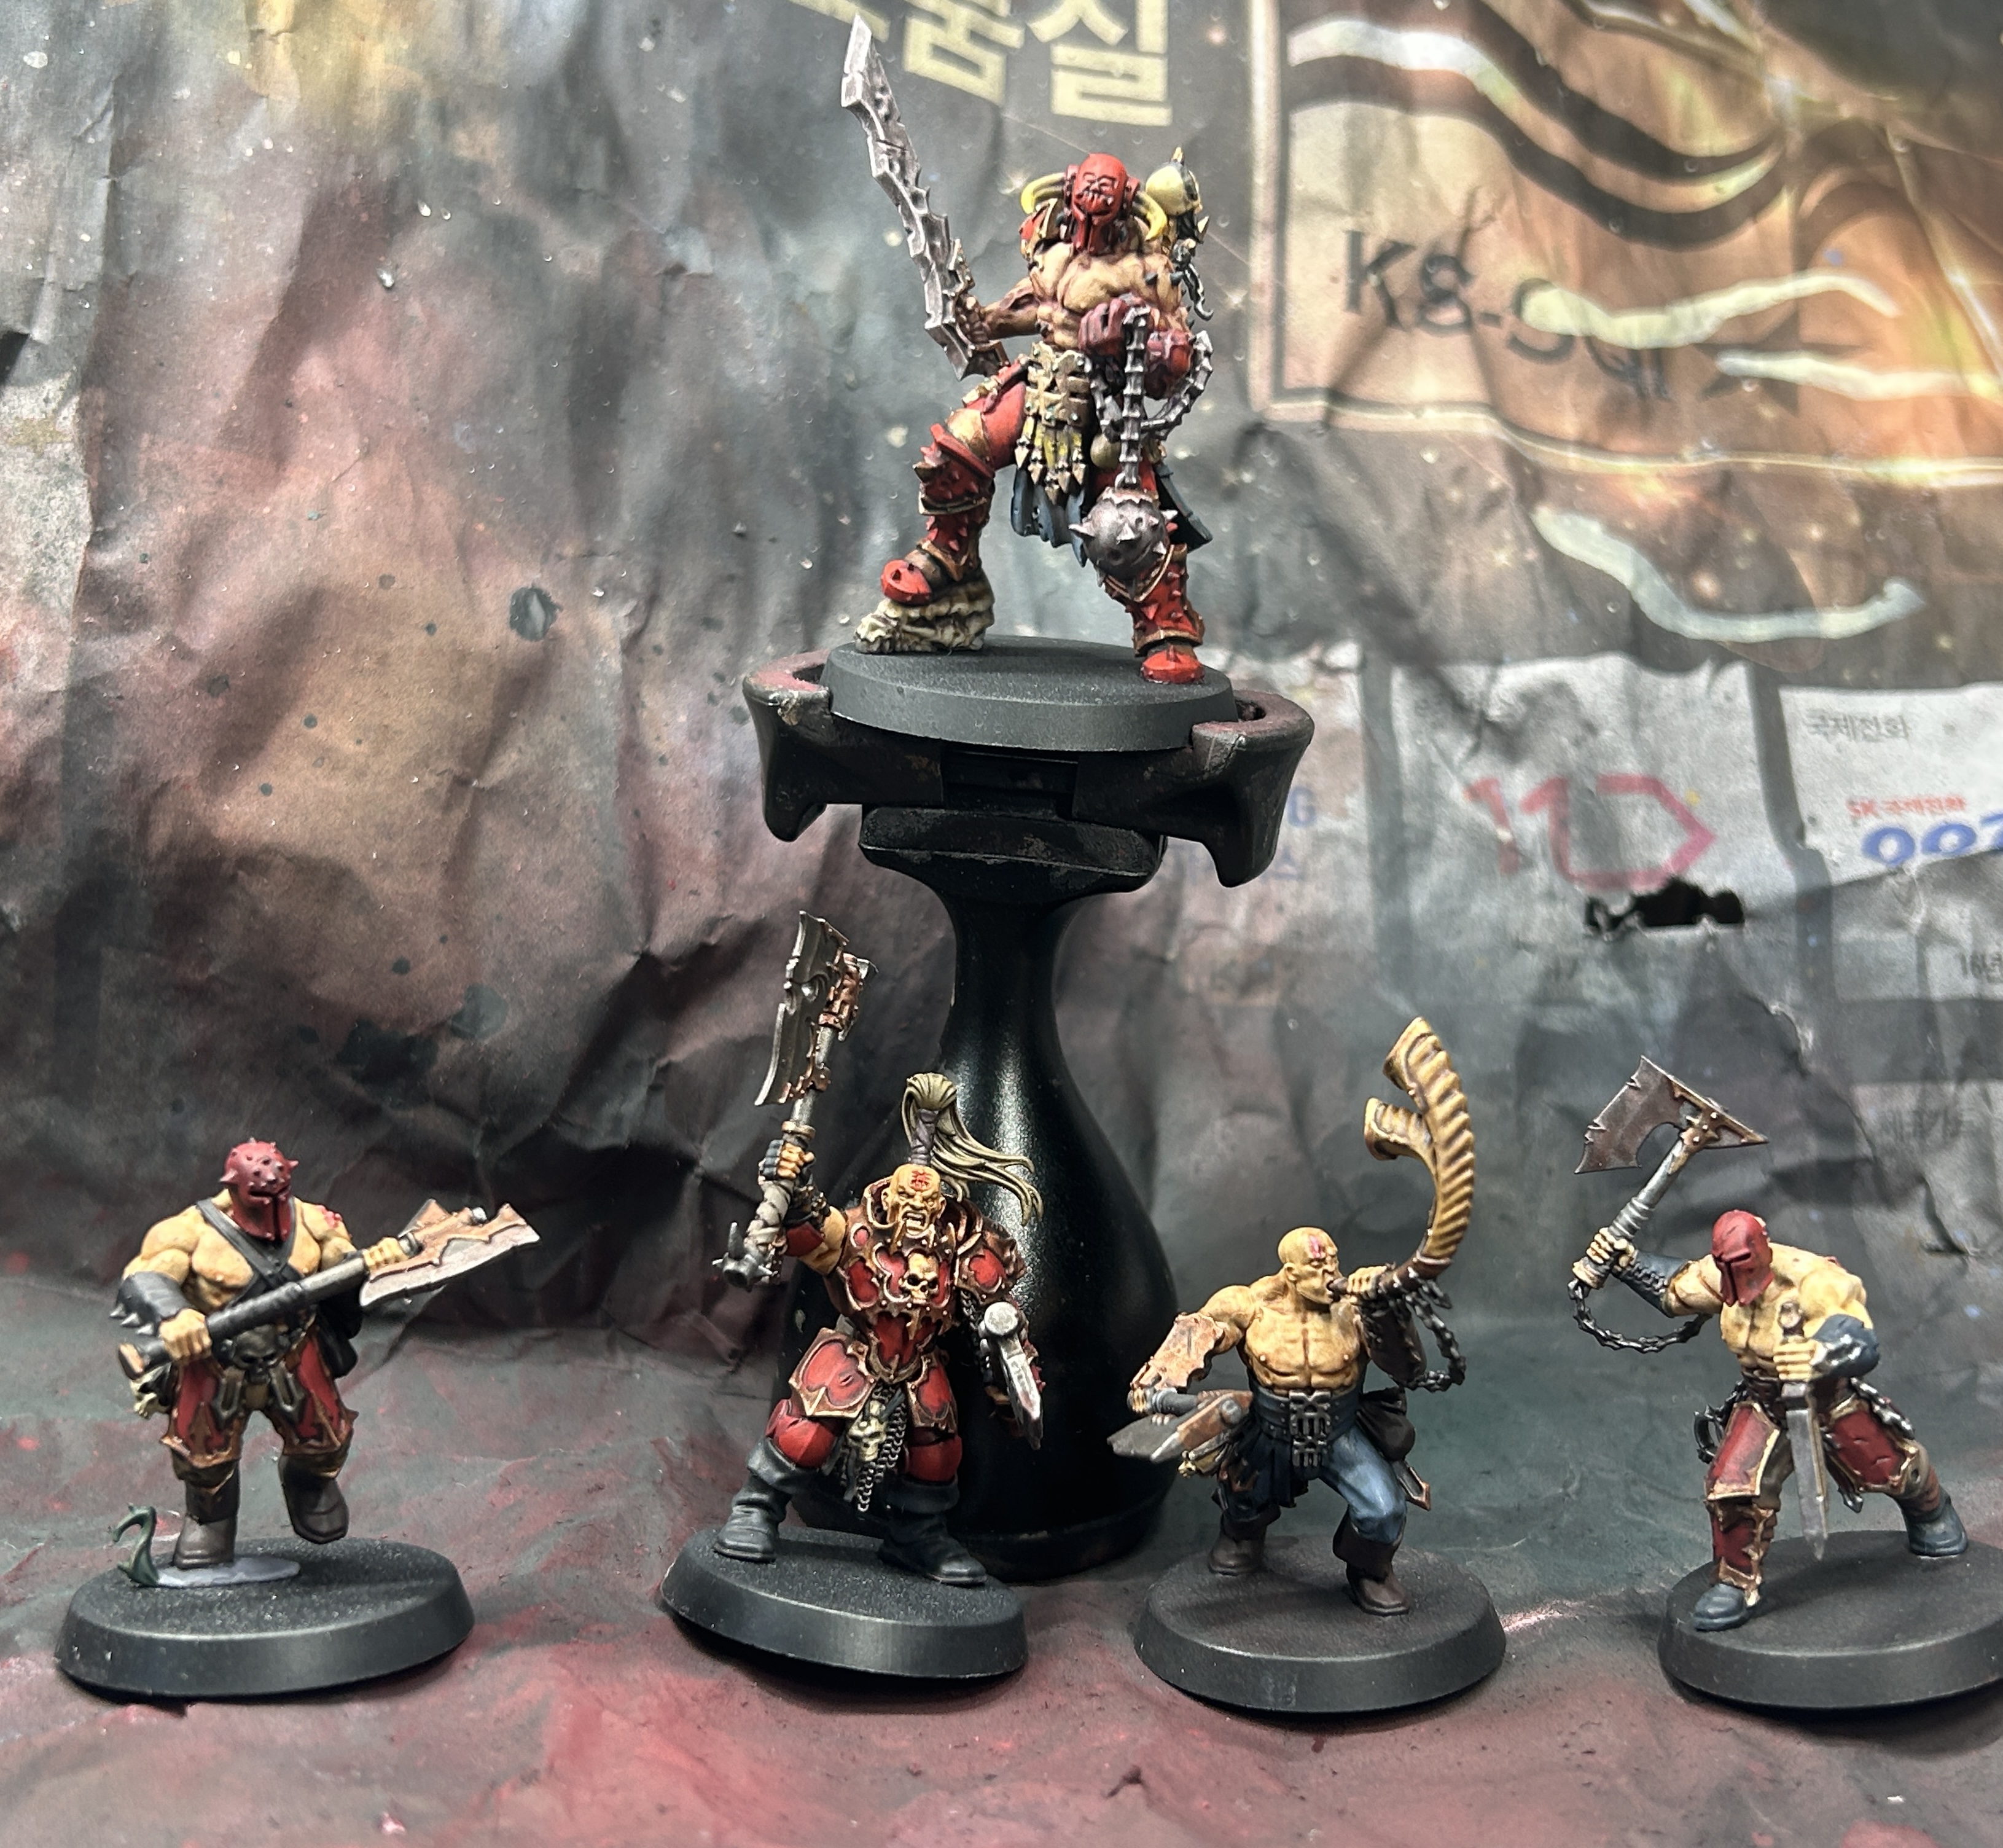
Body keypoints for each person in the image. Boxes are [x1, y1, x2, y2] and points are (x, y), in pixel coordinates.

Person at [860, 152, 1214, 684]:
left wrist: (1128, 334)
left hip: (1105, 400)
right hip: (1041, 380)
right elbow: (1036, 308)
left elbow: (1176, 356)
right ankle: (949, 559)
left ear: (1125, 208)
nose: (1089, 217)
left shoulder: (1147, 272)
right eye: (1082, 202)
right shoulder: (1053, 251)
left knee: (1130, 520)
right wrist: (983, 322)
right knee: (955, 450)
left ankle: (1166, 627)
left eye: (1103, 204)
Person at [716, 1073, 1041, 1585]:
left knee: (937, 1451)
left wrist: (1014, 1382)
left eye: (926, 1209)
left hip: (919, 1363)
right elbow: (808, 1236)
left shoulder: (961, 1249)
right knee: (806, 1431)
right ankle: (755, 1510)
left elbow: (1000, 1313)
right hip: (858, 1351)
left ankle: (919, 1537)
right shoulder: (857, 1234)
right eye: (906, 1205)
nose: (916, 1218)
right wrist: (791, 1190)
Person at [1587, 1208, 1967, 1629]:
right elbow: (1674, 1291)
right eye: (1727, 1269)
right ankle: (1735, 1582)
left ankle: (1931, 1511)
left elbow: (1858, 1337)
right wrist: (1626, 1263)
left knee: (1888, 1466)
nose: (1736, 1279)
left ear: (1763, 1250)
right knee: (1732, 1487)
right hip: (1765, 1403)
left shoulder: (1812, 1280)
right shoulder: (1719, 1274)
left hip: (1827, 1400)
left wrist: (1818, 1353)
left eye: (1743, 1267)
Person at [114, 1141, 402, 1569]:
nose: (272, 1200)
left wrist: (377, 1262)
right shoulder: (189, 1231)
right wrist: (175, 1315)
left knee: (326, 1440)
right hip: (216, 1363)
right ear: (234, 1188)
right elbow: (144, 1275)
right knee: (203, 1459)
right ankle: (210, 1520)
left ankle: (309, 1484)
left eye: (279, 1191)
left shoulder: (315, 1222)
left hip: (292, 1353)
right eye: (260, 1193)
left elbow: (343, 1266)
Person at [1128, 1227, 1432, 1613]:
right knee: (1243, 1499)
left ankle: (1370, 1570)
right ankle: (1242, 1536)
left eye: (1333, 1262)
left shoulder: (1355, 1310)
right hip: (1269, 1429)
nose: (1330, 1274)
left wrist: (1384, 1310)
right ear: (1291, 1274)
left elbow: (1409, 1371)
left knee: (1384, 1509)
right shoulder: (1249, 1306)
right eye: (1318, 1267)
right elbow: (1191, 1339)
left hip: (1339, 1433)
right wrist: (1156, 1384)